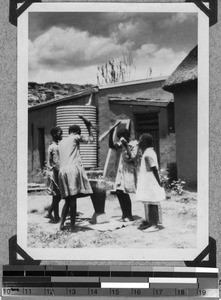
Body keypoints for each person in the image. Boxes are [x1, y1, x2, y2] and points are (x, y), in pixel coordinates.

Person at [58, 116, 94, 231]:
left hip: (62, 171)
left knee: (67, 200)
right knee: (73, 199)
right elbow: (91, 139)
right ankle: (73, 226)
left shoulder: (62, 141)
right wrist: (89, 127)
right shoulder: (75, 137)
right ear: (77, 132)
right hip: (72, 170)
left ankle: (62, 224)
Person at [109, 126, 139, 222]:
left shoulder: (134, 144)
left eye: (122, 136)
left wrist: (126, 146)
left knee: (125, 192)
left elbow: (132, 157)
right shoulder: (121, 143)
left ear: (126, 135)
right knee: (119, 192)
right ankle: (124, 214)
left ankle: (129, 215)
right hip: (122, 169)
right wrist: (111, 134)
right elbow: (111, 146)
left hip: (129, 169)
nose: (121, 139)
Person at [136, 133, 165, 230]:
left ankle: (154, 224)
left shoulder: (149, 153)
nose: (138, 142)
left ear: (144, 142)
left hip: (151, 180)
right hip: (147, 180)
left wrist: (159, 181)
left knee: (153, 202)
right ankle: (150, 222)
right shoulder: (147, 152)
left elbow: (154, 168)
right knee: (149, 201)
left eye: (140, 140)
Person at [45, 126, 63, 223]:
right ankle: (55, 216)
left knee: (56, 195)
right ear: (55, 135)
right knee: (58, 195)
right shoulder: (55, 147)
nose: (62, 135)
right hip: (55, 173)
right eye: (60, 133)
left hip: (51, 172)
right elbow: (56, 164)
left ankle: (50, 213)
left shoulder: (52, 146)